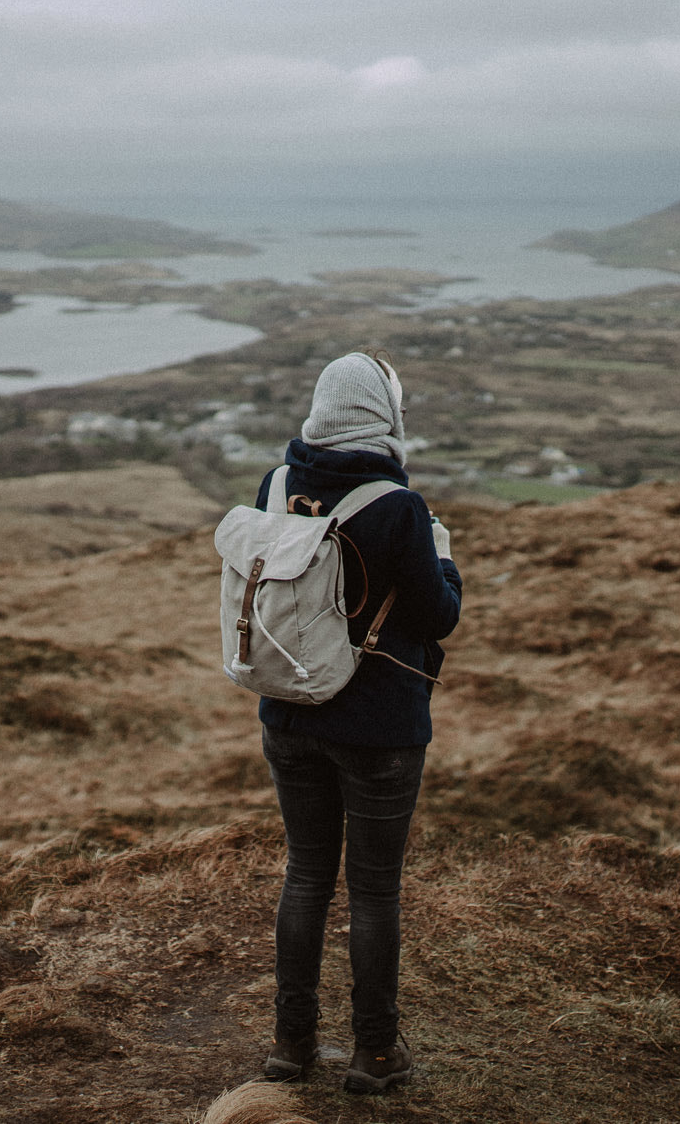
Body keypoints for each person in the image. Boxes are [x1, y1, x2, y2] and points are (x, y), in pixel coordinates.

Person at [254, 350, 461, 1095]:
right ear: (385, 414)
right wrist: (442, 556)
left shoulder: (278, 484)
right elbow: (440, 617)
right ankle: (374, 1054)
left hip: (289, 712)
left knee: (306, 873)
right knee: (373, 891)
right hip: (378, 727)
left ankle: (290, 1045)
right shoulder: (399, 508)